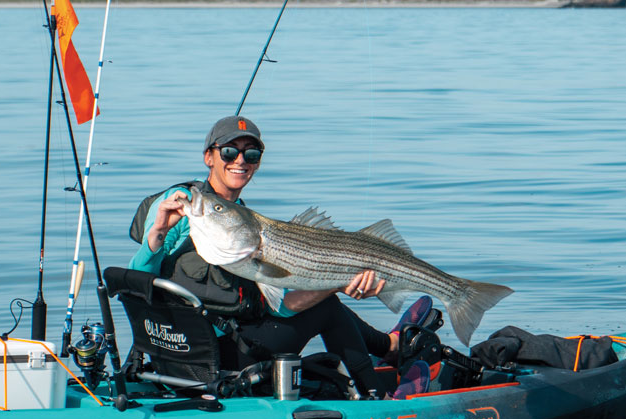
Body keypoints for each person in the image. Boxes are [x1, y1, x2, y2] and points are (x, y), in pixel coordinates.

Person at [128, 115, 436, 398]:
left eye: (251, 154)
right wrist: (156, 233)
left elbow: (276, 307)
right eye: (229, 152)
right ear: (209, 157)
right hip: (211, 356)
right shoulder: (184, 206)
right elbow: (136, 280)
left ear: (258, 163)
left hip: (200, 350)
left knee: (324, 300)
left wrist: (336, 282)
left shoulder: (243, 224)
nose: (240, 161)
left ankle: (388, 346)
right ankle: (378, 393)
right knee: (326, 308)